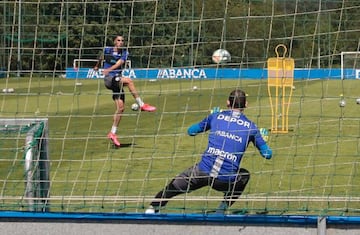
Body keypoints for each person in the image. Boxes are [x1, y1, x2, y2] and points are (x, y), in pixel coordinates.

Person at [145, 89, 272, 214]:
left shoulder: (215, 116)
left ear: (228, 103)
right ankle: (221, 210)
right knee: (244, 175)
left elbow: (191, 131)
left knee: (173, 186)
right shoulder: (252, 127)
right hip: (225, 180)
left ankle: (152, 207)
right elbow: (268, 155)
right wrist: (263, 139)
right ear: (246, 105)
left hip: (202, 172)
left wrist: (210, 118)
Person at [94, 35, 156, 147]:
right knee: (129, 81)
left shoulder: (124, 53)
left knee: (121, 109)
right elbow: (101, 57)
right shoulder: (107, 49)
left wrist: (108, 69)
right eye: (118, 40)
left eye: (122, 41)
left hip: (116, 81)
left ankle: (112, 133)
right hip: (109, 79)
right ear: (114, 41)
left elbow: (119, 64)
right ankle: (141, 105)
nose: (121, 42)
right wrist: (97, 66)